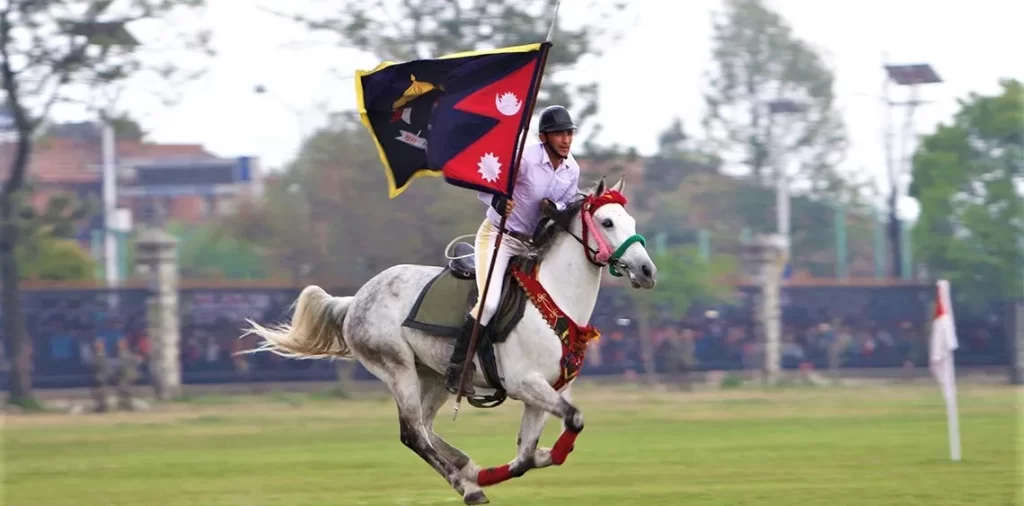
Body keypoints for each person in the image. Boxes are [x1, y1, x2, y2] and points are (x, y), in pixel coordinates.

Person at [444, 105, 581, 395]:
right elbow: (487, 180)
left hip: (533, 246)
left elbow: (567, 205)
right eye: (559, 134)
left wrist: (555, 209)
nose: (566, 140)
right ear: (543, 138)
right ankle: (457, 368)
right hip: (498, 238)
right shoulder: (525, 159)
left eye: (569, 133)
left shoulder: (573, 169)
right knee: (489, 303)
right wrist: (496, 201)